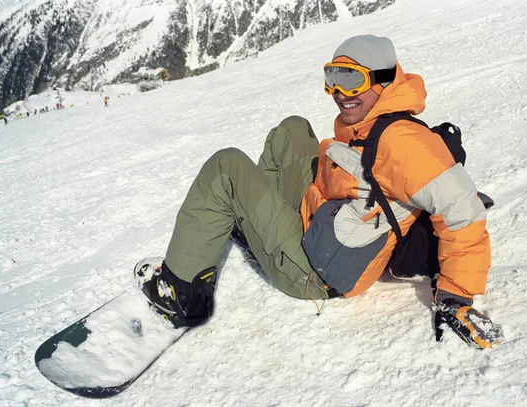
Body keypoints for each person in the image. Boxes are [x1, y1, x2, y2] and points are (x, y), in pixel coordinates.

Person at [135, 35, 503, 349]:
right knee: (292, 130)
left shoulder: (403, 143)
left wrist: (456, 296)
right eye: (332, 77)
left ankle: (179, 297)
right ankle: (255, 228)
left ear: (382, 81)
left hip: (316, 274)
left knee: (225, 167)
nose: (339, 93)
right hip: (318, 226)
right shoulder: (373, 121)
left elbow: (463, 212)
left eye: (351, 79)